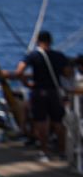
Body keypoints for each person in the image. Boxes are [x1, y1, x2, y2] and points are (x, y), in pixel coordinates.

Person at [11, 30, 72, 161]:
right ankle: (62, 151)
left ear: (38, 41)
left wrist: (26, 83)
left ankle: (44, 152)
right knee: (58, 122)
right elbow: (67, 73)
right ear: (51, 41)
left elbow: (19, 71)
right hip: (54, 92)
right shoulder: (59, 56)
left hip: (39, 92)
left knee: (40, 122)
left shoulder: (34, 55)